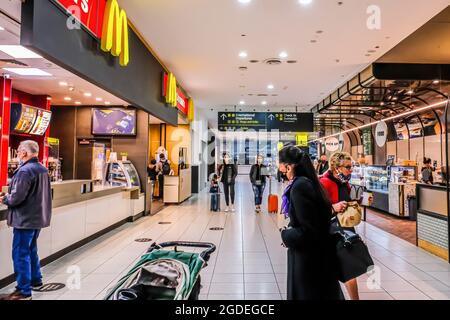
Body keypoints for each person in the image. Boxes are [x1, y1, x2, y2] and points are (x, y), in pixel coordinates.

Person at [278, 146, 343, 300]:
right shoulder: (311, 182)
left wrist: (285, 234)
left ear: (290, 165)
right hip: (319, 256)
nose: (281, 170)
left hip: (309, 260)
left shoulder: (299, 187)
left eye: (281, 166)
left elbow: (309, 230)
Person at [0, 141, 52, 300]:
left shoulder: (24, 171)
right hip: (37, 218)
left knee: (20, 254)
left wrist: (5, 198)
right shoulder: (42, 169)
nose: (18, 155)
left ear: (24, 153)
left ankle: (23, 291)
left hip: (25, 219)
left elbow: (16, 198)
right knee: (31, 250)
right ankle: (36, 280)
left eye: (18, 152)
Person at [320, 151, 360, 300]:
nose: (351, 170)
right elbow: (316, 209)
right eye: (348, 167)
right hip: (331, 232)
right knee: (334, 269)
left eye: (352, 166)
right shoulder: (324, 183)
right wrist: (333, 208)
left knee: (350, 268)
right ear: (337, 167)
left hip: (346, 230)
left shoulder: (344, 183)